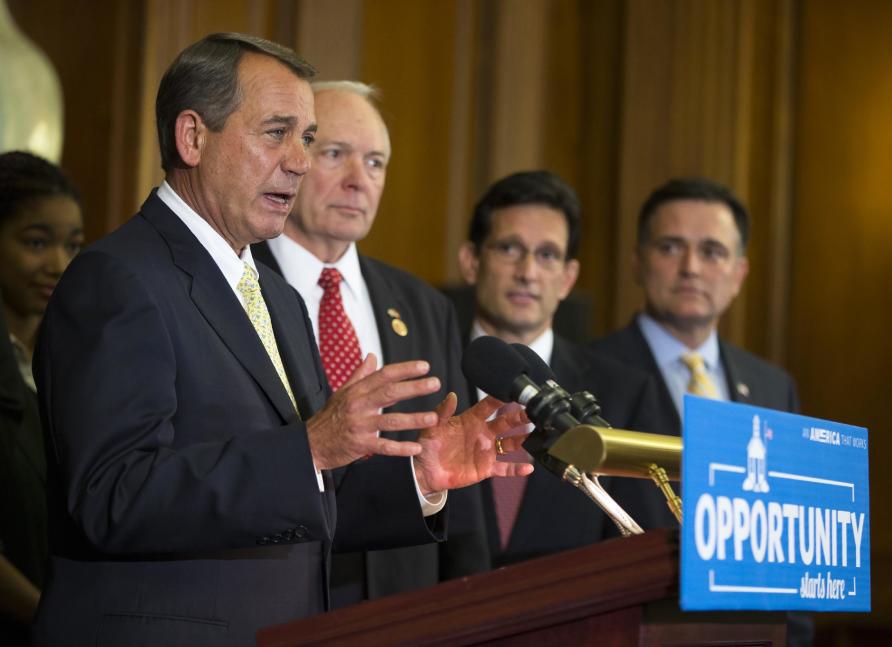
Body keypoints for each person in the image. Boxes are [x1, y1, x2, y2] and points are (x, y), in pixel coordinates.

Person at [31, 33, 529, 647]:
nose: (298, 160)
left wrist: (422, 474)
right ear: (193, 137)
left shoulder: (277, 298)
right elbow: (114, 495)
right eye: (276, 133)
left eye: (307, 138)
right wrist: (311, 448)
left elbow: (307, 498)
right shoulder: (118, 278)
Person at [252, 81, 488, 607]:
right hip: (278, 596)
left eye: (376, 163)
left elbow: (461, 480)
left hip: (404, 603)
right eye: (336, 154)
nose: (359, 181)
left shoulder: (424, 305)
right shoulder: (238, 286)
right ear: (292, 159)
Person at [591, 176, 811, 646]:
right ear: (638, 260)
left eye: (712, 251)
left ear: (739, 273)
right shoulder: (588, 375)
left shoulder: (775, 388)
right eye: (671, 247)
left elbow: (793, 549)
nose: (690, 267)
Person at [457, 170, 674, 567]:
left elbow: (643, 551)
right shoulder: (424, 375)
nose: (528, 272)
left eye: (547, 255)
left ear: (568, 277)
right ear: (471, 261)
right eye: (509, 248)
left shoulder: (624, 392)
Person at [0, 151, 83, 645]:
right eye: (36, 242)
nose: (57, 264)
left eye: (73, 245)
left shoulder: (69, 357)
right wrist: (53, 622)